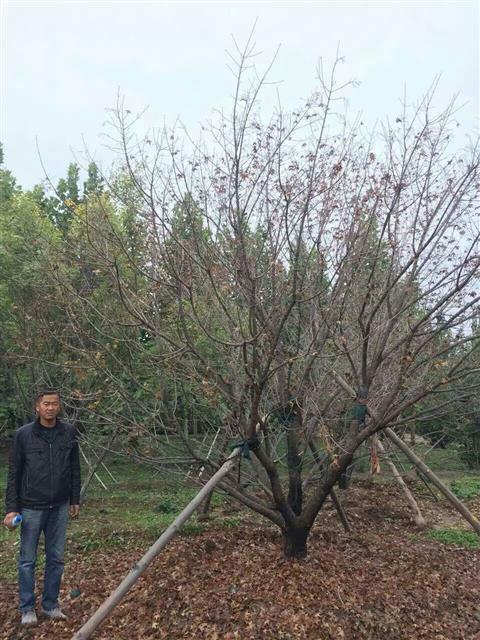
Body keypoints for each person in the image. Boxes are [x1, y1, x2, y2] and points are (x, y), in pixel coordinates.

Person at [3, 390, 81, 626]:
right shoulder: (24, 435)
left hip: (59, 506)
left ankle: (50, 605)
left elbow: (74, 467)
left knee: (56, 558)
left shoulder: (68, 433)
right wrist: (12, 508)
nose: (50, 408)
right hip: (31, 507)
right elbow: (14, 473)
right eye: (46, 404)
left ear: (59, 406)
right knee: (27, 560)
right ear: (37, 407)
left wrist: (74, 499)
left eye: (54, 404)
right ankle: (27, 608)